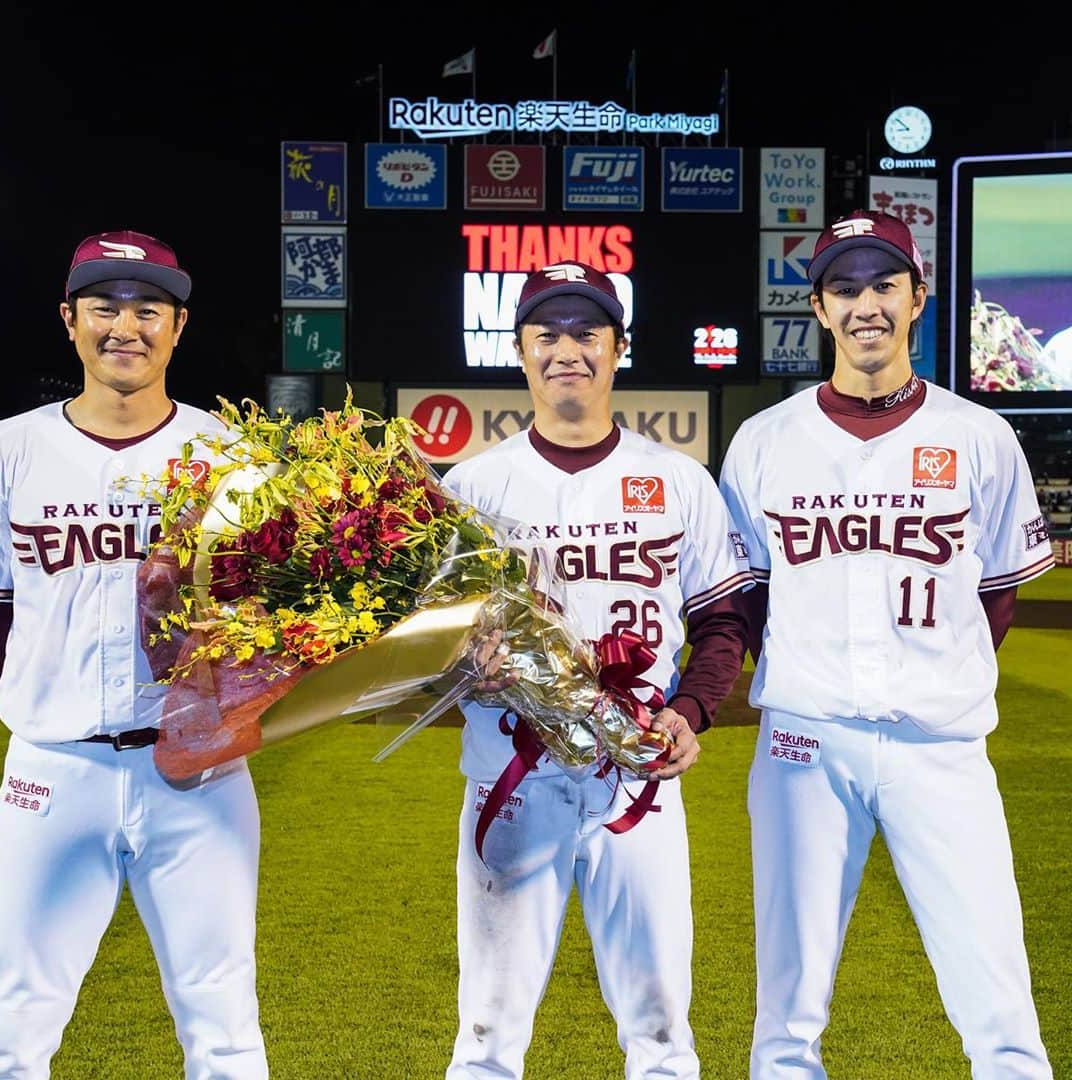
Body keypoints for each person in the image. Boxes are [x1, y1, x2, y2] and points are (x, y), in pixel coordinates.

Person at [717, 210, 1055, 1079]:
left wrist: (935, 673)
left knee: (998, 998)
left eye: (883, 284)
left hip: (940, 747)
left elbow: (998, 595)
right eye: (843, 288)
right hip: (803, 744)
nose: (865, 303)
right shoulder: (764, 441)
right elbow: (743, 597)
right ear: (820, 310)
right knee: (787, 1011)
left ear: (918, 297)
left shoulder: (980, 435)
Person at [441, 261, 753, 1079]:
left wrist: (693, 707)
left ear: (620, 348)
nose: (567, 349)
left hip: (637, 776)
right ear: (520, 350)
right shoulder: (472, 486)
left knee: (659, 1031)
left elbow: (723, 617)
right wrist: (461, 665)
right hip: (511, 772)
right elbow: (427, 645)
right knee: (486, 1032)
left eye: (586, 332)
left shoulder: (680, 480)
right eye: (547, 333)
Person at [0, 230, 268, 1078]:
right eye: (105, 306)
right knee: (11, 1025)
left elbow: (274, 617)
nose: (126, 325)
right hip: (52, 769)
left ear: (177, 327)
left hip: (200, 777)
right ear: (70, 319)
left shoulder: (231, 455)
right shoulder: (7, 450)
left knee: (223, 1026)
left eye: (148, 308)